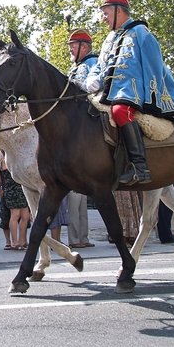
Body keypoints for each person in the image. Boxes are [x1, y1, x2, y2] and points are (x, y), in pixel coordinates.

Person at [85, 0, 174, 186]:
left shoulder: (141, 32)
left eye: (106, 13)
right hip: (106, 93)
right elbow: (100, 66)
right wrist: (93, 79)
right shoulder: (109, 39)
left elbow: (155, 66)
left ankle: (139, 167)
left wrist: (152, 95)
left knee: (119, 111)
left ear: (118, 11)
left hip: (133, 93)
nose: (103, 19)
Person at [66, 28, 97, 248]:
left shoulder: (92, 63)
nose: (70, 50)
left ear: (84, 47)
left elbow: (89, 88)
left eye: (73, 46)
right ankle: (77, 238)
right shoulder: (74, 67)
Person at [0, 150, 30, 250]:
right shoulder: (4, 156)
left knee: (25, 216)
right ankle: (14, 241)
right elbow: (6, 168)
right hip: (12, 189)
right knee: (15, 215)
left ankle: (22, 240)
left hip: (22, 188)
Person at [0, 155, 13, 249]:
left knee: (21, 216)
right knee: (5, 215)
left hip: (18, 188)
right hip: (5, 189)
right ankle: (8, 241)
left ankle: (20, 240)